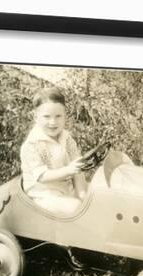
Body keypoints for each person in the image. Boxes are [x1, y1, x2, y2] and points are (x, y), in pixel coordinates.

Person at [20, 87, 87, 216]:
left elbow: (78, 169)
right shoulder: (32, 144)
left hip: (65, 189)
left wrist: (83, 194)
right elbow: (42, 176)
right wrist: (69, 170)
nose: (53, 122)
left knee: (96, 198)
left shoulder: (67, 138)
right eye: (46, 117)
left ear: (65, 116)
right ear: (36, 117)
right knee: (76, 207)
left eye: (58, 116)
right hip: (43, 195)